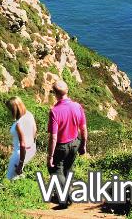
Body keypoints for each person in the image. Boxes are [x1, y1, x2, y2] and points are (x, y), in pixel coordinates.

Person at [46, 80, 87, 208]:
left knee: (55, 170)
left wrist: (50, 156)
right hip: (75, 143)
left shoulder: (55, 111)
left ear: (55, 94)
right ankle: (64, 194)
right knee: (68, 169)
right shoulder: (77, 106)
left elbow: (53, 137)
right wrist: (83, 144)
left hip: (61, 145)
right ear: (67, 90)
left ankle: (66, 197)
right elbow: (84, 128)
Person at [5, 96, 37, 180]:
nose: (8, 111)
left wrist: (20, 163)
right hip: (31, 149)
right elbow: (35, 129)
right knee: (17, 177)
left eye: (9, 109)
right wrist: (30, 142)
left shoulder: (19, 124)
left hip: (20, 152)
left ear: (14, 109)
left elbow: (23, 144)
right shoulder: (28, 114)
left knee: (10, 179)